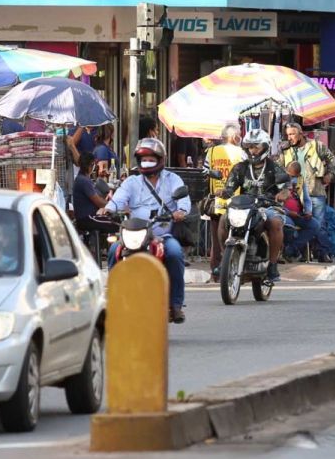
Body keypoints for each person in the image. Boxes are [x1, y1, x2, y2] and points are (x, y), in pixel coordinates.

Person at [101, 137, 191, 324]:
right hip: (134, 235)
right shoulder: (131, 182)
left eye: (151, 158)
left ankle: (176, 304)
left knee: (174, 254)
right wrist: (108, 209)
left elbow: (184, 200)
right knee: (113, 251)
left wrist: (180, 212)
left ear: (160, 160)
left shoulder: (173, 179)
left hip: (162, 235)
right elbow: (118, 199)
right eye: (144, 159)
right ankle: (114, 299)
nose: (147, 162)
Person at [220, 129, 288, 283]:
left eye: (256, 147)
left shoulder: (273, 167)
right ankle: (225, 260)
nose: (252, 150)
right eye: (250, 147)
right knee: (224, 219)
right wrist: (223, 192)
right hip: (245, 206)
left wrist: (284, 193)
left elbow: (285, 186)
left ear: (265, 147)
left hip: (268, 205)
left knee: (276, 223)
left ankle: (272, 265)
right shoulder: (240, 168)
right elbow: (229, 188)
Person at [280, 121, 335, 263]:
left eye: (293, 134)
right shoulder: (286, 150)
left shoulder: (316, 145)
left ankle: (323, 252)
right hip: (294, 195)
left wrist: (330, 174)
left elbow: (331, 159)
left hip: (315, 190)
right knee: (294, 224)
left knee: (319, 224)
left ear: (301, 133)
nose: (290, 137)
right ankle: (296, 251)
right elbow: (278, 168)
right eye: (288, 135)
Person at [203, 126, 247, 281]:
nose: (240, 138)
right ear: (234, 137)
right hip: (237, 203)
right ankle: (235, 272)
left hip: (217, 202)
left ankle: (216, 274)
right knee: (237, 238)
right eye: (239, 135)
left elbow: (205, 174)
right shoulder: (241, 153)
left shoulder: (211, 152)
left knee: (216, 241)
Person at [72, 152, 116, 238]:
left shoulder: (83, 179)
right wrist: (115, 205)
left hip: (88, 217)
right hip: (87, 219)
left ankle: (103, 246)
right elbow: (98, 202)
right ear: (91, 164)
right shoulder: (83, 181)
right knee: (115, 224)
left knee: (112, 220)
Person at [282, 160, 318, 260]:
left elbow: (307, 199)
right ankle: (289, 251)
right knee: (289, 226)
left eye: (294, 176)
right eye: (289, 174)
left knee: (314, 225)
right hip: (284, 213)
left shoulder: (301, 181)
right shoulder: (280, 180)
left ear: (298, 175)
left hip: (298, 214)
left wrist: (308, 211)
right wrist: (288, 212)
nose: (291, 178)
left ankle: (291, 249)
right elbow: (275, 202)